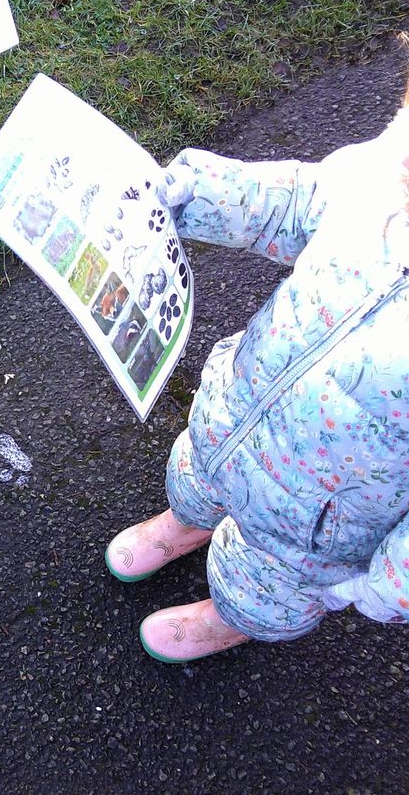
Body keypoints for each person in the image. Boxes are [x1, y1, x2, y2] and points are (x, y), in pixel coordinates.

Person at [105, 81, 409, 662]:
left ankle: (229, 617)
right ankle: (188, 522)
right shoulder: (386, 175)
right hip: (237, 416)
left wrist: (379, 588)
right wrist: (196, 193)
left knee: (264, 587)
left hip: (316, 529)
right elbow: (299, 203)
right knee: (198, 475)